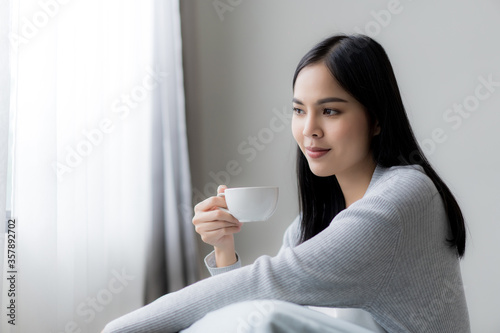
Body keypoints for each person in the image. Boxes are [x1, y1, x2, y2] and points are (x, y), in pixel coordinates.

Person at [101, 34, 470, 333]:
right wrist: (225, 248)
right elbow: (250, 306)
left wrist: (121, 329)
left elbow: (267, 290)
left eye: (330, 110)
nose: (309, 129)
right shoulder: (313, 225)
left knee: (264, 319)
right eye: (298, 110)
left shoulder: (406, 196)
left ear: (375, 120)